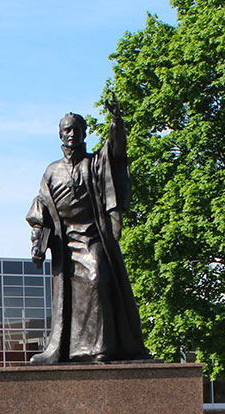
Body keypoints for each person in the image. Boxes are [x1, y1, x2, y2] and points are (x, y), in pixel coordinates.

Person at [26, 99, 148, 364]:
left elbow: (116, 153)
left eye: (76, 130)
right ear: (60, 135)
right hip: (63, 238)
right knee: (68, 297)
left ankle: (100, 348)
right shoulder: (52, 171)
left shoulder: (94, 163)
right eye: (67, 130)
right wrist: (38, 240)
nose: (71, 134)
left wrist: (116, 123)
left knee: (96, 276)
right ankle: (68, 350)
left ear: (84, 133)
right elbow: (42, 206)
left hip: (92, 233)